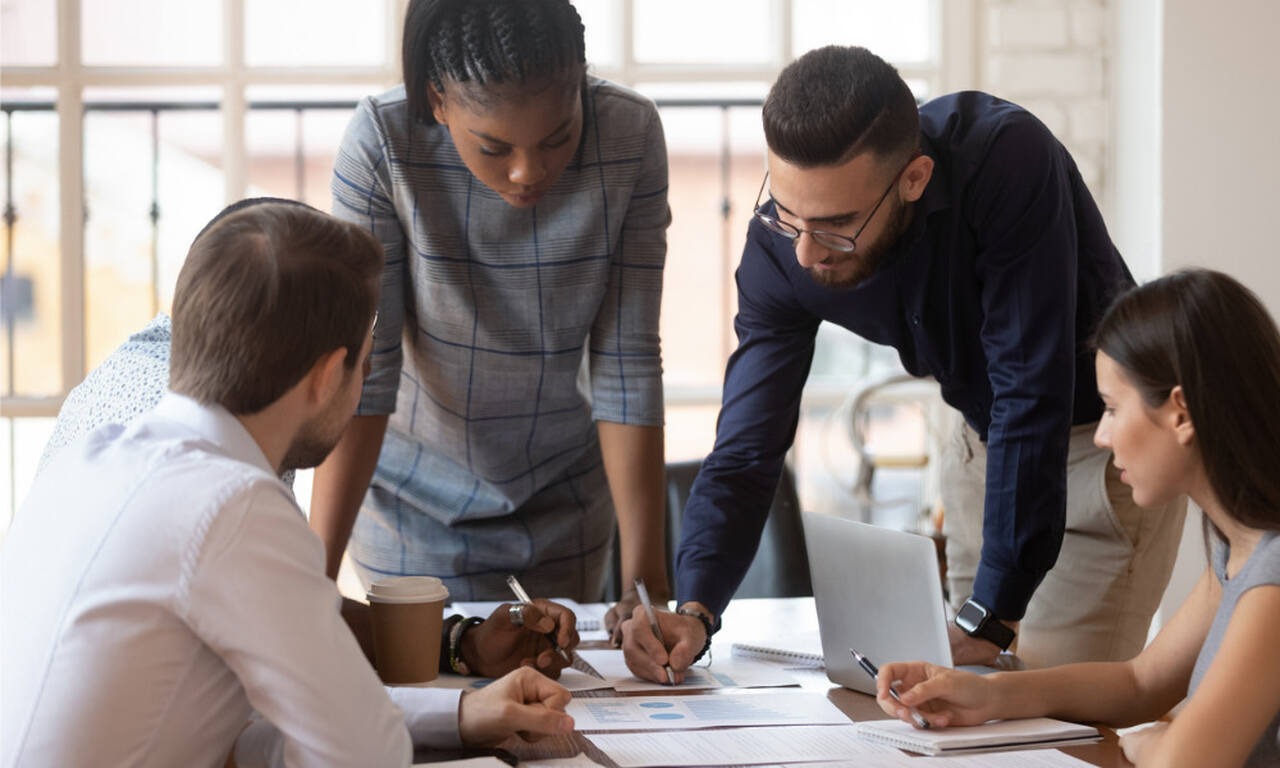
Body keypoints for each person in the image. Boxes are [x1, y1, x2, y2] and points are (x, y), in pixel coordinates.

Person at [619, 45, 1186, 682]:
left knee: (1055, 718)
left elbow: (1031, 389)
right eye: (787, 211)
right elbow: (747, 447)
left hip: (1103, 456)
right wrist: (697, 609)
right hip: (982, 449)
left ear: (913, 179)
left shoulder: (1006, 160)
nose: (806, 253)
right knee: (967, 715)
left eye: (836, 226)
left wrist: (991, 615)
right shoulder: (781, 246)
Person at [0, 201, 575, 768]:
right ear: (327, 375)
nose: (367, 382)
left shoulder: (94, 460)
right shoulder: (231, 503)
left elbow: (244, 730)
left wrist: (457, 716)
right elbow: (363, 752)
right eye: (365, 362)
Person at [316, 0, 671, 621]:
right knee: (429, 697)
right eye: (492, 146)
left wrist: (646, 593)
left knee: (558, 707)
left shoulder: (630, 135)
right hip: (411, 504)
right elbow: (368, 372)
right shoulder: (382, 144)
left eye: (559, 136)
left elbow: (627, 361)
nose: (528, 172)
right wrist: (312, 582)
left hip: (566, 499)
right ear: (437, 101)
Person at [874, 269, 1280, 768]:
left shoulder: (1272, 577)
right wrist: (988, 695)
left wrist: (1155, 744)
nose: (1103, 437)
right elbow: (1141, 683)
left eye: (1111, 409)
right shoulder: (1235, 546)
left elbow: (1185, 762)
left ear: (1181, 413)